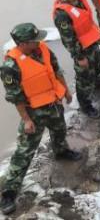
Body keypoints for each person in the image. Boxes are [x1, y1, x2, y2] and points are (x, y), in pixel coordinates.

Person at [0, 23, 82, 215]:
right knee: (24, 152)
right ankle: (9, 193)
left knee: (60, 130)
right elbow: (15, 97)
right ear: (22, 43)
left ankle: (61, 151)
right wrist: (26, 120)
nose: (40, 42)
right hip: (33, 112)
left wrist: (67, 91)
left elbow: (56, 70)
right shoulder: (10, 66)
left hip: (53, 103)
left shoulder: (42, 49)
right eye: (35, 40)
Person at [53, 0, 100, 118]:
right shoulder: (61, 14)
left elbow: (87, 21)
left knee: (97, 66)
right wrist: (79, 57)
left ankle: (97, 81)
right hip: (81, 49)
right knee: (84, 77)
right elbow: (68, 39)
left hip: (92, 41)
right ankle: (85, 105)